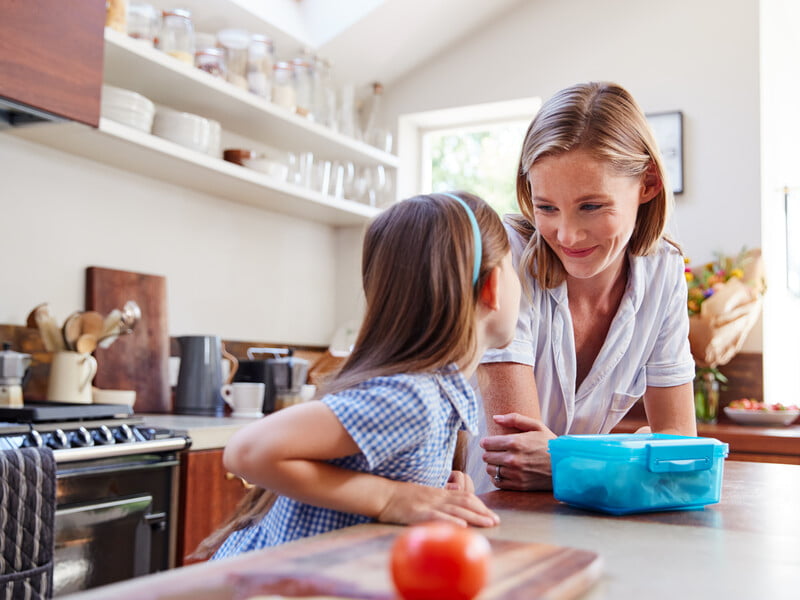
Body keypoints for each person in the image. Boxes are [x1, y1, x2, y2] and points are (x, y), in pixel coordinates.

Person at [205, 191, 520, 558]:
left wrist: (431, 493)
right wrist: (391, 498)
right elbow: (246, 451)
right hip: (264, 581)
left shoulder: (431, 394)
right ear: (493, 286)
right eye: (514, 268)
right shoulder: (414, 397)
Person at [466, 81, 697, 494]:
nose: (567, 235)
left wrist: (561, 461)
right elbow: (514, 460)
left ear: (648, 183)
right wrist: (630, 455)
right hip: (488, 512)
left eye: (591, 206)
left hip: (587, 514)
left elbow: (680, 452)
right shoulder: (505, 257)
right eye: (546, 207)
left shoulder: (663, 270)